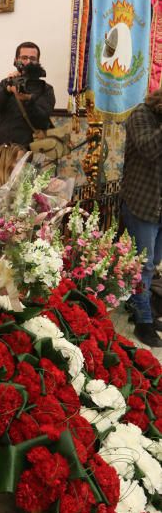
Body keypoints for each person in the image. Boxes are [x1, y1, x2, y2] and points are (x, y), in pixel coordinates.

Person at [120, 87, 162, 347]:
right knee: (143, 265)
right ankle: (143, 321)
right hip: (143, 203)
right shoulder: (141, 115)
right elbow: (149, 148)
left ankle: (137, 303)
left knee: (154, 262)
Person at [0, 41, 55, 149]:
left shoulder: (45, 88)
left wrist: (29, 100)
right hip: (5, 148)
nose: (28, 62)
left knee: (31, 167)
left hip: (32, 148)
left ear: (38, 62)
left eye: (32, 59)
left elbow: (42, 121)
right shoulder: (5, 83)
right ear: (16, 60)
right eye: (24, 58)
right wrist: (7, 89)